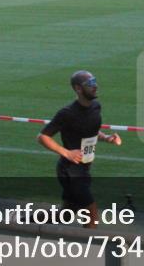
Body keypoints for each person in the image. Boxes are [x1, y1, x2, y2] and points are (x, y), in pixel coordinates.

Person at [37, 70, 122, 228]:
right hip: (70, 170)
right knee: (92, 211)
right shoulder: (67, 113)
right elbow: (42, 137)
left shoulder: (96, 107)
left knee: (67, 213)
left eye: (95, 81)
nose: (95, 86)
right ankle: (90, 248)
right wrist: (67, 153)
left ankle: (22, 220)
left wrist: (107, 138)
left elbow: (91, 130)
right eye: (90, 84)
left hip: (84, 167)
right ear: (78, 89)